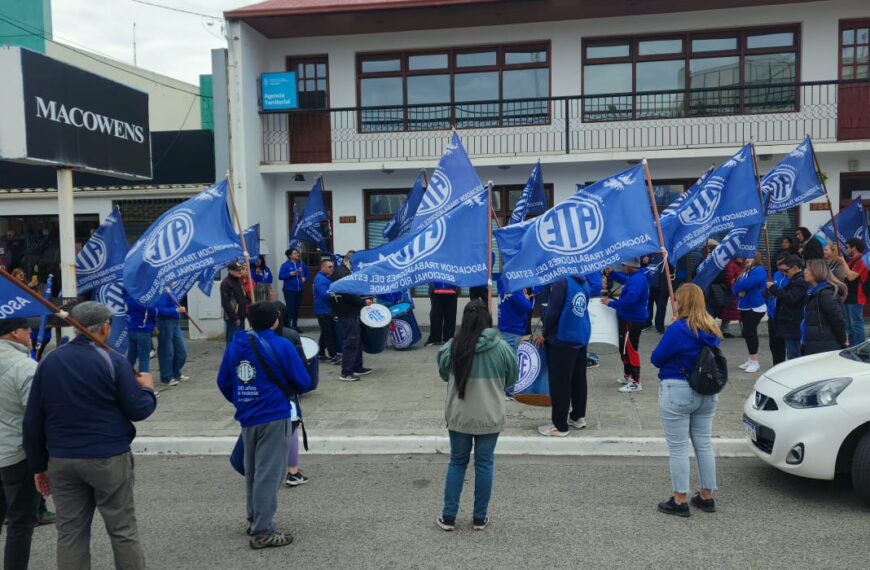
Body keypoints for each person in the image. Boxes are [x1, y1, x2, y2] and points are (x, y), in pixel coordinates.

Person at [23, 302, 157, 569]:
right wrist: (148, 390)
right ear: (104, 327)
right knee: (122, 530)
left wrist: (38, 466)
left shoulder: (50, 362)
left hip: (62, 458)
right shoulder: (113, 360)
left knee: (71, 532)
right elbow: (138, 409)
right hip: (107, 456)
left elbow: (33, 420)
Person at [217, 302, 313, 549]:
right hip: (274, 414)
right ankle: (263, 530)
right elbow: (304, 381)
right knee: (269, 475)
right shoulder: (282, 345)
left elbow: (224, 382)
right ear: (276, 322)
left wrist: (242, 400)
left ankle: (253, 517)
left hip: (248, 416)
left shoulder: (236, 344)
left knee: (253, 472)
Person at [435, 300, 517, 531]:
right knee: (484, 464)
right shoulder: (501, 348)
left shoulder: (452, 346)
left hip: (459, 414)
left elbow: (443, 374)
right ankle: (479, 518)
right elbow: (511, 378)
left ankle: (448, 517)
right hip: (490, 415)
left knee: (457, 462)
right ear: (487, 320)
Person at [650, 284, 722, 518]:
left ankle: (680, 499)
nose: (675, 303)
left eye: (677, 300)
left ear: (684, 303)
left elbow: (657, 358)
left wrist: (673, 326)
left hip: (678, 388)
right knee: (704, 443)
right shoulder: (711, 328)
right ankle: (706, 495)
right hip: (707, 390)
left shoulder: (679, 329)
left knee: (679, 446)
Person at [0, 317, 41, 569]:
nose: (31, 334)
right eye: (28, 329)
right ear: (15, 333)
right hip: (17, 454)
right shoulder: (25, 367)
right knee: (20, 522)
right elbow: (34, 417)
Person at [535, 276, 591, 437]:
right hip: (580, 335)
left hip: (562, 338)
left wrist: (545, 334)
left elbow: (553, 313)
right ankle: (578, 416)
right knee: (578, 379)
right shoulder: (584, 282)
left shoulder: (562, 283)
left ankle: (559, 425)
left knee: (560, 383)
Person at [603, 259, 649, 393]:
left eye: (623, 265)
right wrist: (613, 274)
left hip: (632, 319)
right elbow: (625, 280)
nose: (622, 267)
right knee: (624, 348)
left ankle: (636, 382)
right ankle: (628, 375)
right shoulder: (635, 277)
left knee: (630, 349)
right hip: (629, 318)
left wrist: (611, 303)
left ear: (629, 265)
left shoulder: (637, 280)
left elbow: (631, 299)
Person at [333, 267, 373, 382]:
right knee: (351, 343)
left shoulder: (335, 286)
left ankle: (357, 367)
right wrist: (365, 302)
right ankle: (346, 372)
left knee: (356, 342)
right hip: (349, 316)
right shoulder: (344, 287)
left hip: (348, 316)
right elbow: (353, 299)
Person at [768, 255, 810, 361]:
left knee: (794, 355)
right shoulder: (795, 280)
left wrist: (774, 289)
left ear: (795, 268)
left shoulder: (800, 281)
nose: (785, 274)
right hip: (789, 322)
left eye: (786, 271)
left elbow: (790, 298)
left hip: (793, 323)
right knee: (790, 352)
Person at [802, 259, 848, 355]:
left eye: (809, 270)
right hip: (816, 344)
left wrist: (843, 340)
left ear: (818, 272)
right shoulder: (813, 292)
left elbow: (837, 320)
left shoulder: (825, 294)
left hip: (824, 346)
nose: (805, 272)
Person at [732, 254, 768, 374]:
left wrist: (741, 287)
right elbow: (734, 286)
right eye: (746, 257)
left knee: (749, 332)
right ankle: (750, 359)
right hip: (744, 306)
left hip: (756, 307)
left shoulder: (759, 270)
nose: (747, 259)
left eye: (750, 257)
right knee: (747, 333)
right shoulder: (746, 271)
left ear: (756, 258)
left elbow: (747, 284)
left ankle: (754, 361)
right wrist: (739, 290)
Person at [839, 238, 869, 346]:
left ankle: (859, 348)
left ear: (854, 248)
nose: (846, 250)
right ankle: (851, 347)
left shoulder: (862, 260)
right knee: (849, 326)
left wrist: (842, 261)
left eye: (847, 247)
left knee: (856, 324)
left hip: (857, 297)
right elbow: (845, 275)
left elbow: (851, 277)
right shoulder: (852, 260)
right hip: (849, 296)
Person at [156, 291, 189, 387]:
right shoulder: (161, 291)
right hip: (165, 322)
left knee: (181, 351)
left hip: (175, 322)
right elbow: (159, 309)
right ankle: (167, 376)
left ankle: (175, 372)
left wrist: (178, 310)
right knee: (166, 351)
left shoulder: (171, 290)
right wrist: (176, 310)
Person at [124, 293, 158, 375]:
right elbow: (152, 311)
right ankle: (144, 381)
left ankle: (125, 376)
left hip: (131, 328)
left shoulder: (129, 296)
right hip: (143, 330)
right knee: (144, 358)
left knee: (131, 356)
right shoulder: (143, 298)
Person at [313, 259, 339, 363]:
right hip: (323, 310)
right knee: (329, 333)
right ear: (323, 267)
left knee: (325, 332)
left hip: (326, 309)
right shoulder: (320, 280)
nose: (332, 269)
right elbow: (324, 295)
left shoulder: (325, 278)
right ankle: (333, 356)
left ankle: (321, 354)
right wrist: (336, 294)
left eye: (332, 266)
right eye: (329, 267)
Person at [279, 248, 310, 330]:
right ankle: (288, 326)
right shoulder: (285, 265)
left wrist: (305, 278)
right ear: (290, 256)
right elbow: (281, 276)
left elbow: (308, 274)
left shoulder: (302, 264)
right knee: (290, 309)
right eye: (295, 253)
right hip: (289, 290)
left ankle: (295, 326)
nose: (297, 254)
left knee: (297, 308)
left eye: (297, 253)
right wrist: (290, 274)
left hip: (300, 290)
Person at [765, 256, 789, 366]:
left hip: (783, 316)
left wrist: (774, 289)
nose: (779, 267)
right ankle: (776, 364)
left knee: (782, 343)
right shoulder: (776, 274)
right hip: (772, 314)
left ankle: (782, 365)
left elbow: (786, 295)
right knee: (773, 343)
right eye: (777, 264)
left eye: (781, 264)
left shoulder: (791, 278)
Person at [221, 262, 250, 344]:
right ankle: (230, 356)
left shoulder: (239, 281)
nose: (240, 272)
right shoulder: (226, 283)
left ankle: (239, 356)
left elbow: (244, 296)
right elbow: (225, 303)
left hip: (241, 315)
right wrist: (234, 318)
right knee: (232, 341)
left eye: (240, 270)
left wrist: (252, 304)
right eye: (237, 270)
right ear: (230, 271)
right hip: (233, 318)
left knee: (240, 341)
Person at [497, 288, 534, 353]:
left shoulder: (504, 287)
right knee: (513, 361)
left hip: (506, 329)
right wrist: (526, 298)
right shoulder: (515, 289)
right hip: (514, 331)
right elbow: (527, 307)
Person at [426, 281, 458, 346]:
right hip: (436, 289)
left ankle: (448, 339)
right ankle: (435, 339)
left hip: (452, 289)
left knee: (450, 315)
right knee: (435, 315)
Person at [720, 258, 743, 338]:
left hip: (739, 292)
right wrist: (734, 288)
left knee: (740, 313)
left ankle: (744, 331)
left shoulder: (741, 266)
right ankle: (724, 330)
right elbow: (729, 278)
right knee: (729, 313)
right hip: (733, 293)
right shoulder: (732, 265)